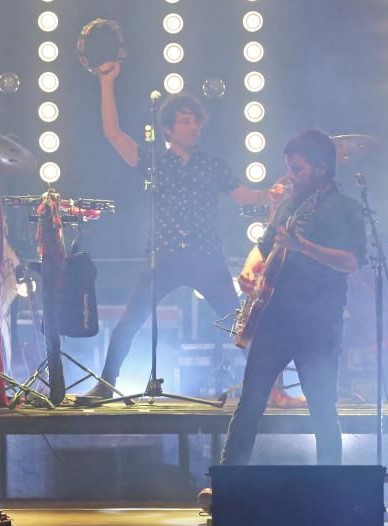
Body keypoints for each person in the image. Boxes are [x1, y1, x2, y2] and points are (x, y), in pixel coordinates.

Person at [85, 61, 272, 399]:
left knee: (238, 323)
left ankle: (268, 387)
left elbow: (247, 196)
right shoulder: (155, 160)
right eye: (185, 121)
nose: (193, 127)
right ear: (168, 129)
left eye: (196, 121)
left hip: (206, 257)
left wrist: (274, 192)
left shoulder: (212, 165)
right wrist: (106, 84)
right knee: (130, 321)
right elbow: (113, 134)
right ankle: (106, 384)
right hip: (164, 255)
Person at [219, 129, 365, 466]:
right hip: (275, 317)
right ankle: (228, 481)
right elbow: (265, 246)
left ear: (321, 168)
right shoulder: (289, 202)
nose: (290, 176)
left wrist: (304, 247)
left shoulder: (345, 208)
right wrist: (250, 270)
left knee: (322, 409)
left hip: (318, 323)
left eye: (297, 169)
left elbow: (351, 261)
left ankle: (331, 487)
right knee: (251, 402)